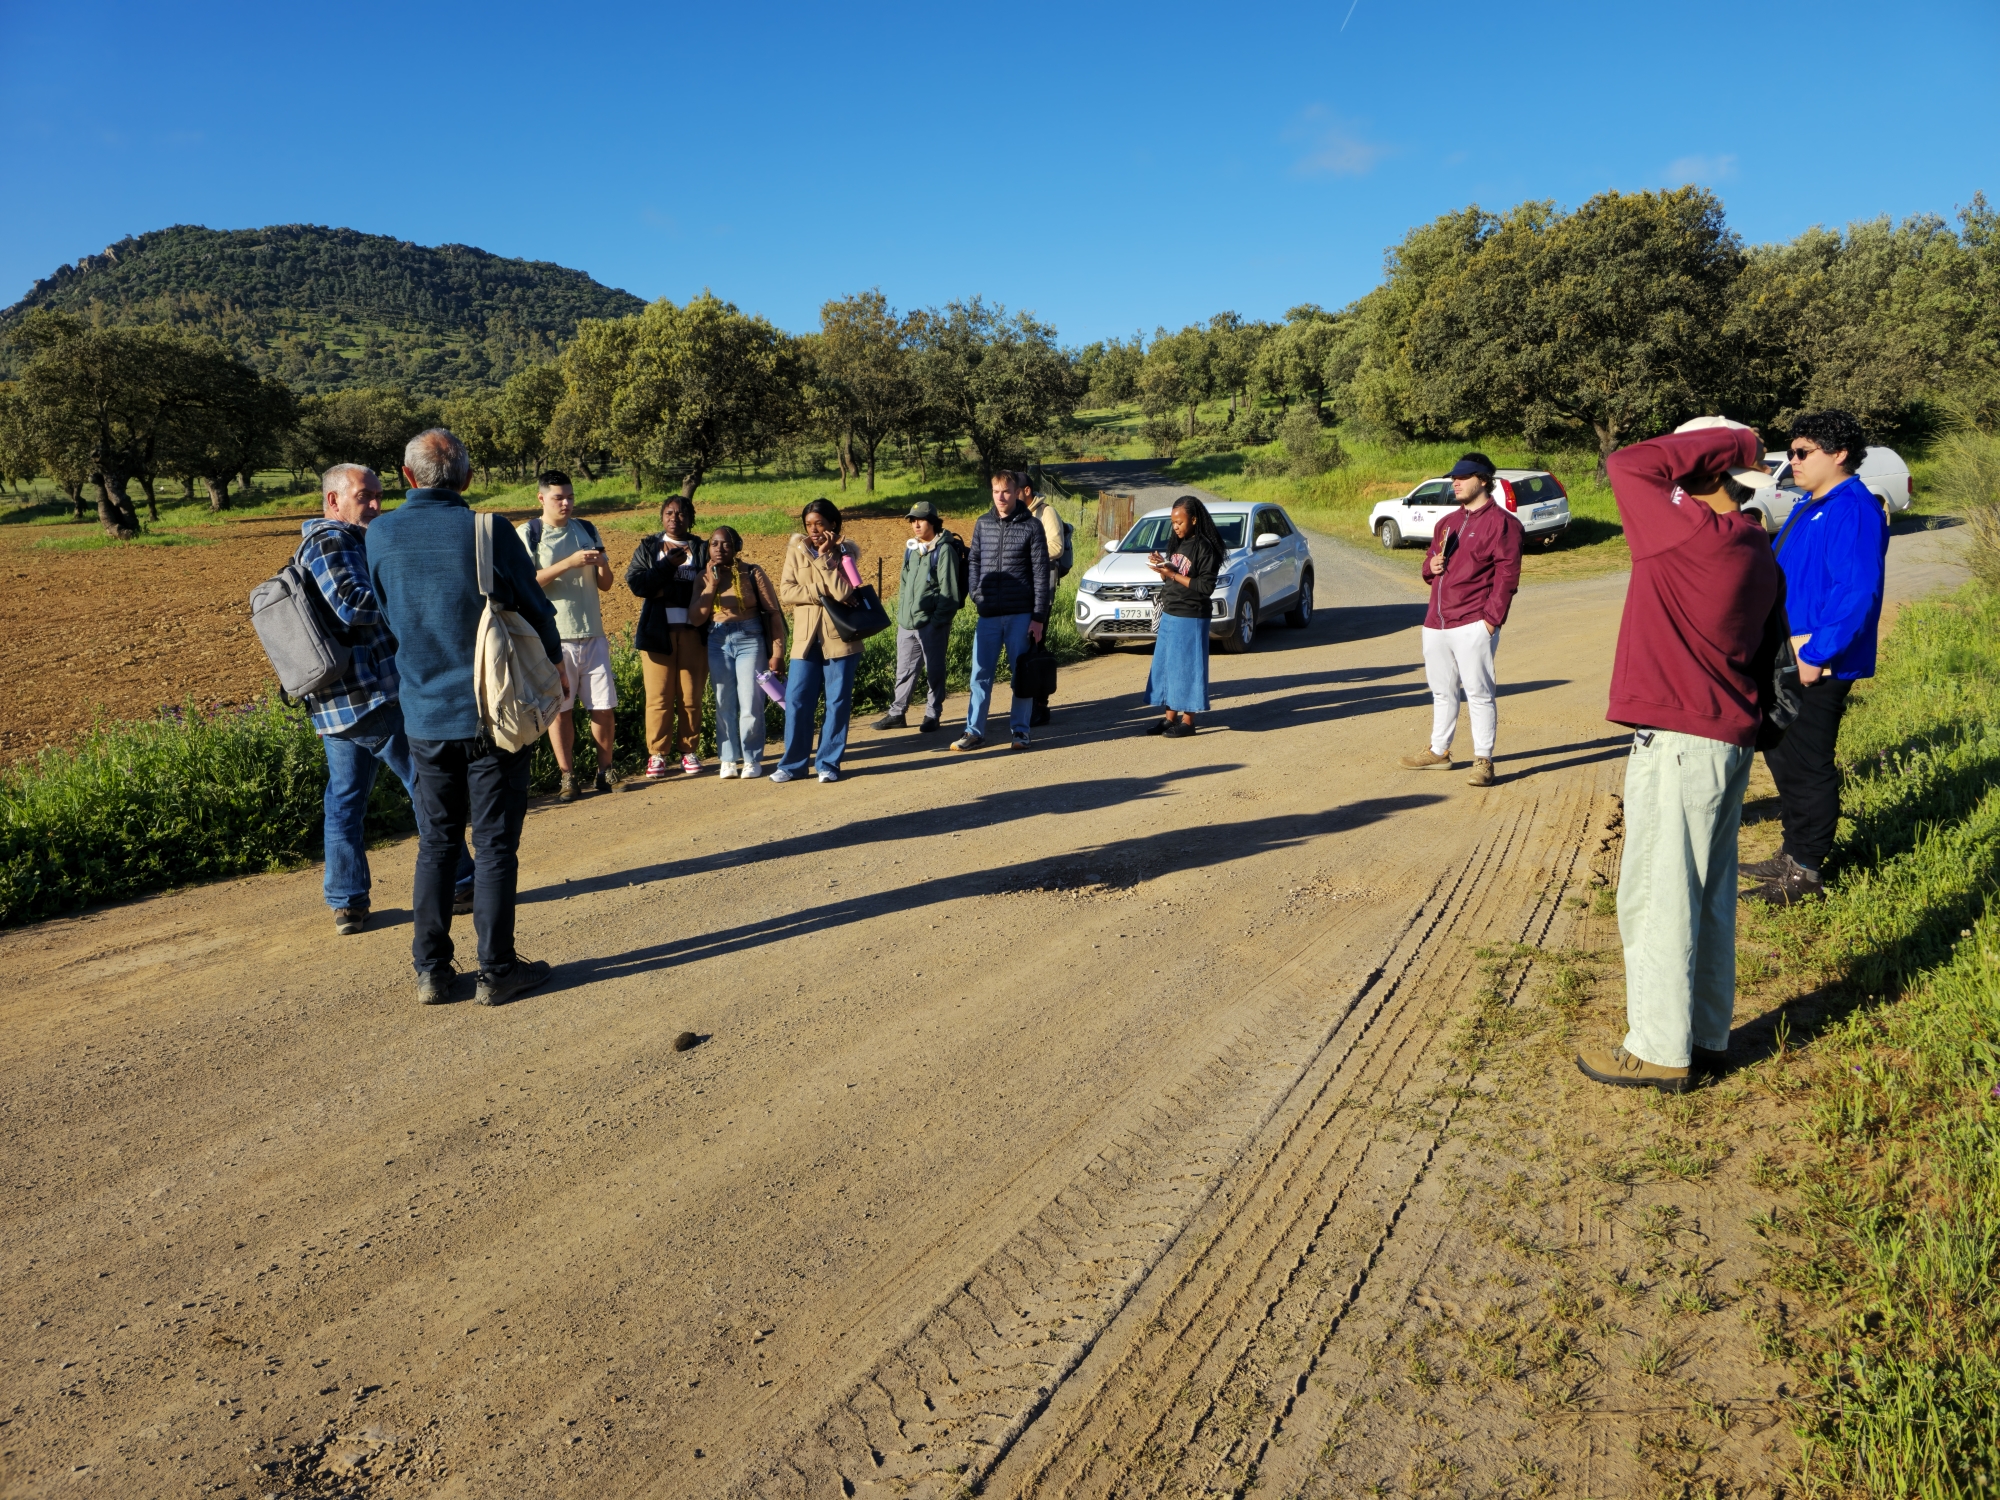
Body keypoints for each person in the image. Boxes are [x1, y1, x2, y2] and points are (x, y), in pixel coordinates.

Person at [1576, 420, 1786, 1094]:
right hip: (1724, 738)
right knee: (1709, 894)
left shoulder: (1689, 534)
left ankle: (1660, 1050)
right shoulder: (1757, 547)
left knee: (1658, 894)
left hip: (1679, 742)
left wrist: (1732, 441)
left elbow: (1631, 464)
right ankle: (1704, 1034)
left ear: (1700, 471)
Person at [365, 428, 564, 1008]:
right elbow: (533, 605)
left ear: (406, 478)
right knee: (496, 844)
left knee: (437, 843)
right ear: (468, 479)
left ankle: (431, 970)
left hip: (423, 716)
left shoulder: (379, 533)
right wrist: (554, 663)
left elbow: (384, 612)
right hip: (493, 715)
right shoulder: (489, 530)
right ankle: (497, 971)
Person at [299, 463, 471, 934]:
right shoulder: (328, 541)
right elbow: (351, 605)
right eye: (364, 496)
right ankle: (462, 882)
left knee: (345, 798)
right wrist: (409, 595)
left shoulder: (344, 539)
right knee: (428, 782)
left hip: (337, 700)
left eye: (378, 494)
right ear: (334, 500)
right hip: (370, 695)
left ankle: (347, 901)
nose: (376, 505)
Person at [1742, 409, 1888, 906]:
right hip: (1789, 651)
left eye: (1804, 452)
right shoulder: (1811, 503)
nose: (1794, 460)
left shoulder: (1853, 508)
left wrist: (1818, 651)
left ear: (1840, 454)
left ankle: (1805, 873)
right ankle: (1792, 853)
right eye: (1792, 451)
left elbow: (1857, 590)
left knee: (1808, 765)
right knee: (1784, 757)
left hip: (1816, 659)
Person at [1399, 452, 1523, 787]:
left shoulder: (1503, 524)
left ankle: (1484, 760)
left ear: (1483, 480)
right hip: (1436, 622)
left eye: (1463, 477)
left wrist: (1491, 620)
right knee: (1442, 691)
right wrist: (1431, 568)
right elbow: (1428, 565)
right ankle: (1439, 751)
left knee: (1479, 693)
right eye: (1454, 477)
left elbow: (1507, 576)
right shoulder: (1447, 523)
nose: (1455, 482)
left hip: (1473, 622)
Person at [517, 471, 617, 803]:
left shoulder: (587, 529)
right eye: (559, 497)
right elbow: (525, 584)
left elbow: (606, 584)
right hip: (553, 639)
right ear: (541, 498)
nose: (566, 503)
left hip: (593, 634)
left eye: (571, 497)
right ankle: (567, 776)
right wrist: (568, 563)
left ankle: (606, 772)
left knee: (603, 708)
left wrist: (601, 563)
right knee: (562, 710)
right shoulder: (529, 534)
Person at [953, 470, 1050, 752]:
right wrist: (976, 593)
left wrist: (1038, 618)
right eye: (996, 492)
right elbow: (974, 562)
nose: (1001, 497)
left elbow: (1041, 574)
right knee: (980, 675)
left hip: (1021, 615)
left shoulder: (1032, 526)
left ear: (1018, 492)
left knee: (1020, 676)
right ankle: (974, 731)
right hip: (988, 615)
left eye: (1006, 491)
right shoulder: (982, 524)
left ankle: (1020, 731)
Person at [775, 498, 863, 783]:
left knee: (837, 702)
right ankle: (792, 765)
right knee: (798, 700)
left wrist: (827, 559)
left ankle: (828, 764)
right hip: (805, 639)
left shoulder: (846, 552)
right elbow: (787, 593)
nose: (813, 530)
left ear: (832, 524)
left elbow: (846, 592)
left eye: (819, 524)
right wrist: (820, 591)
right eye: (808, 525)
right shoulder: (795, 551)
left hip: (840, 638)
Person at [692, 525, 786, 778]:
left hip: (750, 637)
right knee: (723, 702)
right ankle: (728, 759)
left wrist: (777, 652)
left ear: (736, 547)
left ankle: (752, 757)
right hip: (717, 639)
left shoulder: (752, 572)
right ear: (708, 547)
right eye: (714, 543)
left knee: (751, 701)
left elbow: (773, 612)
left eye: (726, 544)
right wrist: (710, 586)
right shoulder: (703, 576)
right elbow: (696, 618)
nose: (719, 548)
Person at [626, 495, 710, 779]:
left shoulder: (702, 548)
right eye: (669, 513)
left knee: (690, 697)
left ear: (691, 517)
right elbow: (638, 584)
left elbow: (708, 586)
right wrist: (667, 568)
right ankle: (657, 755)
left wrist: (663, 587)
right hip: (657, 633)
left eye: (682, 513)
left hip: (693, 633)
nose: (676, 517)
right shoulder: (649, 547)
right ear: (662, 517)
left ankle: (689, 751)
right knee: (658, 698)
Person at [871, 499, 964, 734]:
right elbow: (904, 584)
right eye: (913, 520)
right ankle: (897, 713)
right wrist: (903, 615)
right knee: (903, 670)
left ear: (932, 521)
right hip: (907, 623)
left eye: (920, 519)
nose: (916, 524)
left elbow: (949, 592)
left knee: (934, 670)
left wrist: (936, 621)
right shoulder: (911, 549)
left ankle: (933, 714)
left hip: (932, 624)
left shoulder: (944, 550)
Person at [1142, 496, 1224, 739]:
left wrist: (1172, 574)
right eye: (1172, 522)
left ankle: (1188, 722)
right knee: (1168, 668)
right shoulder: (1178, 543)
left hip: (1191, 615)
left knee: (1187, 669)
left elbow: (1204, 586)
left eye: (1179, 522)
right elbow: (1175, 575)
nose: (1175, 527)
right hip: (1171, 610)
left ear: (1194, 519)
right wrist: (1163, 568)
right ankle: (1170, 719)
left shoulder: (1204, 547)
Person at [1022, 473, 1067, 728]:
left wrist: (1025, 554)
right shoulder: (1019, 514)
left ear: (1026, 491)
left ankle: (1040, 706)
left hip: (1042, 590)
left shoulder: (1046, 513)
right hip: (1023, 590)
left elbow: (1057, 547)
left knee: (1036, 646)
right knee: (1026, 648)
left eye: (1013, 490)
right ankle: (1028, 702)